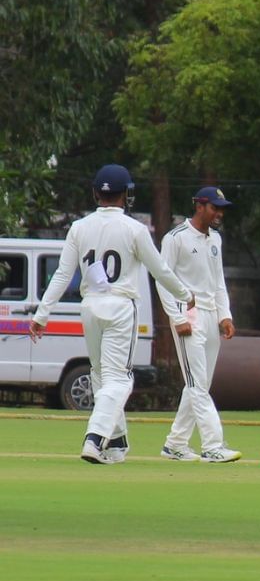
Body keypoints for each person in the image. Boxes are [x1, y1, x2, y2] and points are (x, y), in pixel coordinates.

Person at [30, 164, 194, 464]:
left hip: (90, 306)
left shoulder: (79, 227)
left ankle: (116, 444)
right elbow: (160, 270)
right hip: (120, 306)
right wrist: (186, 295)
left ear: (96, 193)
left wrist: (42, 314)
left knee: (100, 375)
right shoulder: (134, 229)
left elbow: (63, 274)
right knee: (119, 380)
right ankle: (95, 437)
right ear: (127, 195)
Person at [156, 186, 241, 463]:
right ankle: (213, 445)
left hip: (209, 313)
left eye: (221, 209)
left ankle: (176, 443)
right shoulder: (175, 238)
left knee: (199, 382)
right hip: (187, 313)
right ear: (199, 205)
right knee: (197, 384)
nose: (219, 213)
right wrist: (177, 317)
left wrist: (224, 315)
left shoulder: (215, 239)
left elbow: (218, 282)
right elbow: (163, 280)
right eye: (214, 207)